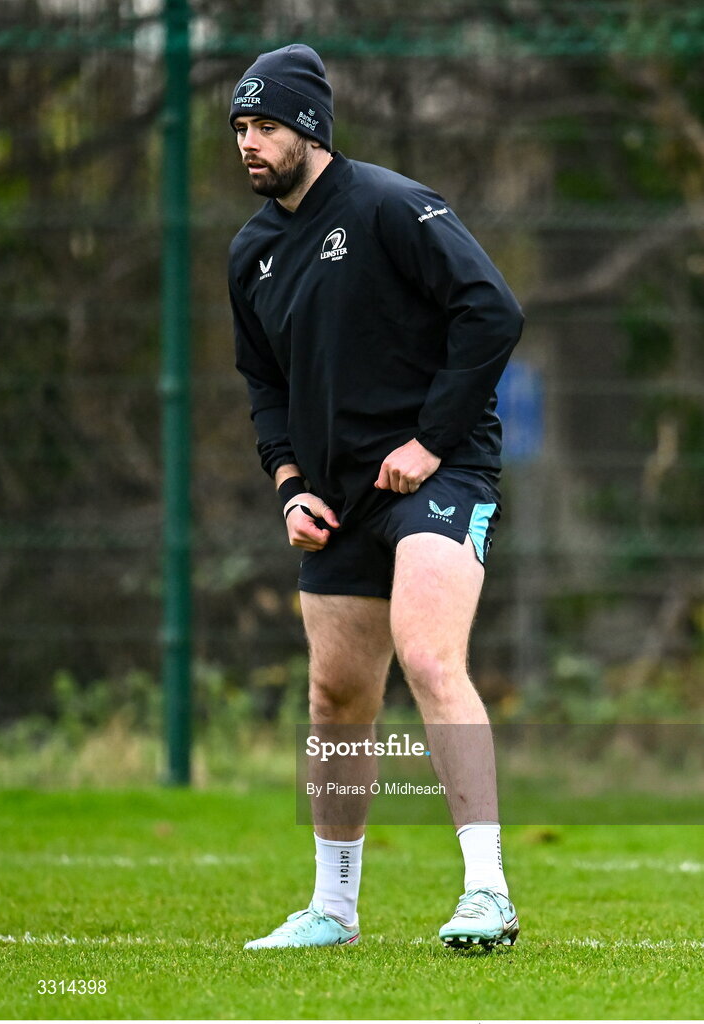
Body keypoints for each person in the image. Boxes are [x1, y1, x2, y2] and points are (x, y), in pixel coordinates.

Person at [228, 43, 524, 950]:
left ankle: (487, 892)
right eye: (239, 127)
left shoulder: (392, 205)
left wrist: (431, 441)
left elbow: (492, 312)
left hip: (441, 473)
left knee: (430, 658)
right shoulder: (250, 254)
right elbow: (264, 386)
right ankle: (333, 909)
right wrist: (289, 487)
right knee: (335, 696)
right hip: (338, 497)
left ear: (310, 129)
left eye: (266, 125)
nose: (249, 142)